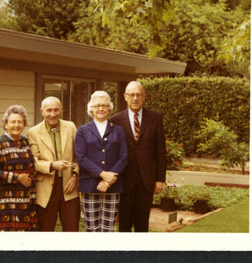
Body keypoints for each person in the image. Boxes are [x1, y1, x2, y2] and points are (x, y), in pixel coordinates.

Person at [111, 81, 166, 232]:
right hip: (124, 179)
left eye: (138, 95)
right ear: (125, 97)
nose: (135, 98)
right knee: (124, 224)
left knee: (143, 224)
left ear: (144, 97)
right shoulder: (116, 120)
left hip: (146, 179)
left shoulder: (155, 118)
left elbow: (160, 150)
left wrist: (160, 179)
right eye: (132, 95)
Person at [75, 91, 127, 232]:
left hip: (112, 186)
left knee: (108, 229)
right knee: (92, 229)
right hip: (90, 186)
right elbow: (81, 157)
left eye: (104, 105)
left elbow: (123, 157)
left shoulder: (118, 131)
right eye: (97, 105)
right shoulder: (82, 131)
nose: (100, 109)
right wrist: (103, 174)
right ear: (91, 108)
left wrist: (108, 180)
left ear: (110, 109)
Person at [27, 97, 80, 231]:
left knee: (71, 228)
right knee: (46, 229)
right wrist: (51, 165)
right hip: (46, 187)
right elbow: (33, 161)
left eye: (56, 110)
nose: (53, 114)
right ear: (42, 112)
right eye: (49, 110)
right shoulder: (33, 132)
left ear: (61, 110)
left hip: (69, 185)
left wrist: (75, 176)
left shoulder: (71, 127)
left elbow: (80, 156)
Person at [0, 105, 38, 231]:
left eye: (20, 122)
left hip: (24, 201)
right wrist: (17, 178)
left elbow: (32, 168)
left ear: (24, 124)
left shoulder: (26, 142)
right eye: (13, 122)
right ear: (5, 124)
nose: (16, 125)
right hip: (2, 203)